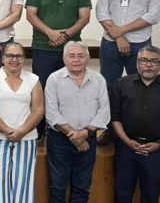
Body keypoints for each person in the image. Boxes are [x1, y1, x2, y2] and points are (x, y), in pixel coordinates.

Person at [95, 0, 160, 145]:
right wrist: (118, 36)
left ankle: (134, 131)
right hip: (110, 44)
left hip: (141, 43)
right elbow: (101, 12)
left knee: (140, 88)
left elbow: (153, 15)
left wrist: (121, 31)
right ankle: (110, 129)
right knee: (109, 87)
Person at [25, 0, 92, 140]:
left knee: (68, 90)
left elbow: (84, 17)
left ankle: (64, 130)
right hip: (43, 48)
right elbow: (30, 15)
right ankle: (38, 130)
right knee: (41, 90)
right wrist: (51, 33)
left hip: (71, 52)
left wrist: (65, 35)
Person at [110, 45, 160, 203]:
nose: (149, 64)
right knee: (121, 193)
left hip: (155, 151)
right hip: (126, 148)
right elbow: (114, 116)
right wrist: (127, 141)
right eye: (144, 60)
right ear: (137, 63)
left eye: (154, 61)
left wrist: (159, 144)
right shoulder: (121, 84)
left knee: (151, 195)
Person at [44, 41, 110, 203]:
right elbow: (52, 113)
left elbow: (104, 111)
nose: (76, 60)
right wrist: (75, 137)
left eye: (81, 56)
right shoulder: (54, 79)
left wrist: (84, 134)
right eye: (71, 56)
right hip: (59, 141)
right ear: (64, 58)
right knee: (58, 187)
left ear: (88, 58)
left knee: (82, 187)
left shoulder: (98, 79)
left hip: (89, 138)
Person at [0, 42, 44, 203]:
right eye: (10, 55)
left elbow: (38, 110)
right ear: (3, 58)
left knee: (23, 182)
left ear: (24, 58)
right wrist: (6, 130)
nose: (14, 59)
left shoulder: (33, 79)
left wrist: (22, 131)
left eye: (19, 56)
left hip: (27, 138)